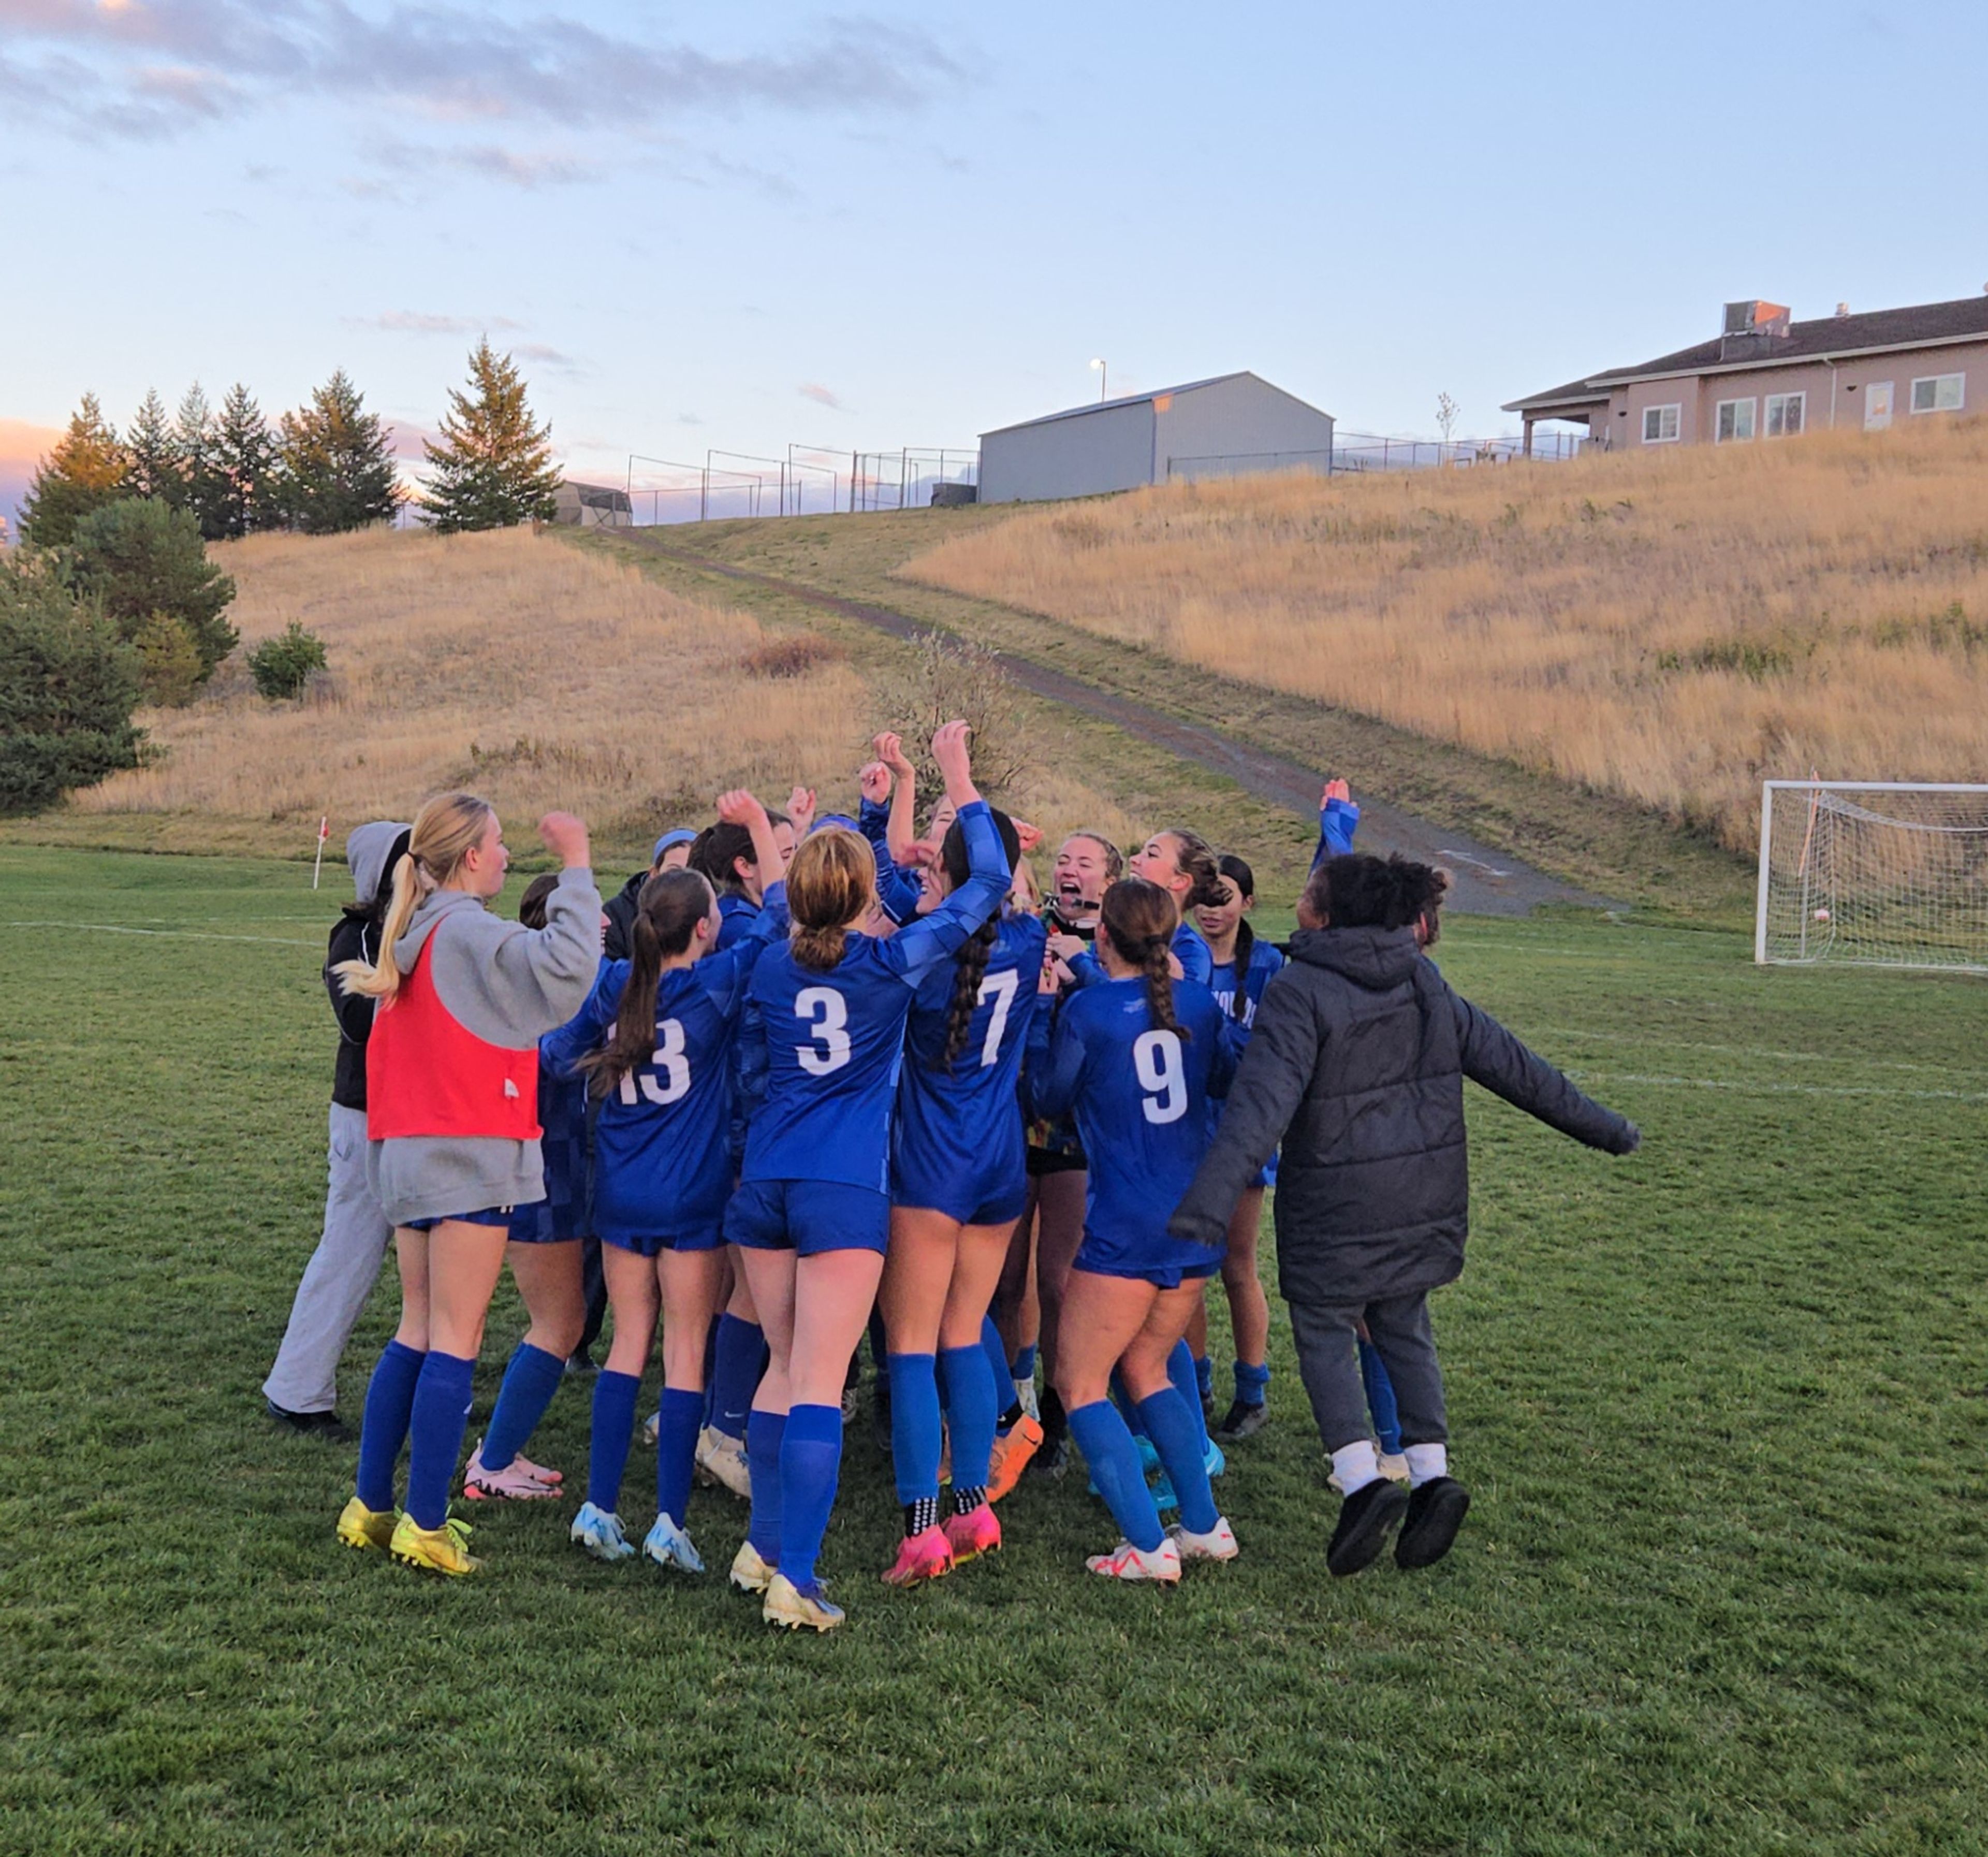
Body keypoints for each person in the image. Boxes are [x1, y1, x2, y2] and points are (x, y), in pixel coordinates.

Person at [1168, 852, 1640, 1578]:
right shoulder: (1421, 977)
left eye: (1308, 889)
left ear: (1328, 914)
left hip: (1337, 1200)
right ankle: (1431, 1472)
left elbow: (1260, 1109)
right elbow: (1515, 1065)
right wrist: (1604, 1127)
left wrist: (1206, 1205)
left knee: (1325, 1325)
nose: (1299, 895)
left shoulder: (1302, 991)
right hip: (1423, 1195)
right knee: (1403, 1322)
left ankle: (1362, 1482)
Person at [726, 719, 1006, 1632]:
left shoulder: (771, 949)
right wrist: (958, 778)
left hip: (762, 1179)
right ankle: (794, 1578)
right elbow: (992, 886)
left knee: (781, 1366)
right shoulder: (891, 963)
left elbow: (774, 897)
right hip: (841, 1187)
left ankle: (763, 1545)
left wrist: (781, 835)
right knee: (818, 1381)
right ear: (864, 896)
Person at [332, 794, 600, 1577]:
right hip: (467, 1150)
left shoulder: (410, 931)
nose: (509, 853)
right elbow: (568, 971)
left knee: (415, 1327)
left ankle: (371, 1504)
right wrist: (578, 865)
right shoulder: (470, 930)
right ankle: (424, 1523)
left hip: (408, 1152)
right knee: (457, 1336)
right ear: (470, 858)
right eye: (501, 841)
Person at [547, 792, 790, 1572]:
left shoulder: (615, 983)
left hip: (620, 1189)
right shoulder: (719, 981)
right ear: (707, 926)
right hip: (691, 1194)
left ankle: (598, 1504)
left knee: (627, 1342)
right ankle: (668, 1520)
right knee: (685, 1350)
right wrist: (761, 827)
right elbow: (786, 916)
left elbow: (554, 1055)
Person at [1024, 878, 1240, 1584]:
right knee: (1148, 1366)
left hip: (1127, 1221)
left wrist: (1040, 1010)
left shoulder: (1088, 1012)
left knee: (1080, 1380)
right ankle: (1204, 1525)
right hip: (1198, 1214)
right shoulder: (1199, 1004)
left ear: (1103, 936)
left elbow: (1049, 1098)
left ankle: (1148, 1546)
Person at [879, 802, 1047, 1586]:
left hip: (931, 1164)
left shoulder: (919, 959)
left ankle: (921, 1527)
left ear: (945, 876)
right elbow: (1001, 883)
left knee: (911, 1348)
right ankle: (975, 1504)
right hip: (1000, 1163)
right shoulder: (1030, 936)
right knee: (966, 1331)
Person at [262, 820, 410, 1439]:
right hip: (365, 1115)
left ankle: (434, 1394)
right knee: (348, 1252)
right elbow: (357, 1021)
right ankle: (298, 1390)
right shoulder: (356, 934)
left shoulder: (416, 928)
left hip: (413, 1117)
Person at [456, 872, 594, 1503]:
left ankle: (498, 1451)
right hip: (542, 1182)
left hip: (543, 1175)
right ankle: (492, 1460)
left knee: (558, 1322)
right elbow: (554, 1059)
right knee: (558, 1322)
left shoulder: (523, 992)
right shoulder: (544, 1004)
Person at [1022, 830, 1121, 1477]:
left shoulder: (1118, 943)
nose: (1069, 870)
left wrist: (1080, 966)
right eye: (1062, 860)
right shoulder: (1030, 930)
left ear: (1108, 881)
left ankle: (1058, 1421)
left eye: (1085, 863)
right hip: (1009, 1126)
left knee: (1058, 1281)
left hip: (1073, 1134)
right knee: (1006, 1282)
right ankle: (1013, 1411)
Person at [1193, 852, 1284, 1442]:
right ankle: (1193, 1385)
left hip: (1242, 1135)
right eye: (1202, 895)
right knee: (1186, 1273)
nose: (1210, 907)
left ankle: (1252, 1391)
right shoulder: (1181, 956)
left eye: (1223, 896)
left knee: (1236, 1265)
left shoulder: (1268, 965)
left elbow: (1270, 1049)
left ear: (1247, 902)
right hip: (1185, 1133)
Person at [604, 829, 698, 963]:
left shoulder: (715, 912)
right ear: (654, 873)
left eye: (693, 871)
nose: (683, 879)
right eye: (674, 871)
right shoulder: (616, 914)